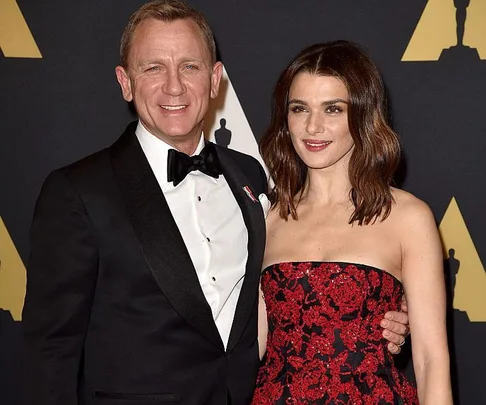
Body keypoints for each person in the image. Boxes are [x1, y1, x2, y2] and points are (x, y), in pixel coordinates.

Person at [21, 1, 409, 404]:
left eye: (190, 66)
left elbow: (296, 290)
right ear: (125, 82)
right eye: (153, 67)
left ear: (215, 78)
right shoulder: (78, 191)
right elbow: (51, 351)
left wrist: (384, 310)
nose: (174, 86)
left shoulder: (251, 177)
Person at [252, 41, 453, 404]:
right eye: (300, 109)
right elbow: (250, 348)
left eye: (333, 109)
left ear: (362, 114)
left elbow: (430, 359)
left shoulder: (408, 218)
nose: (313, 126)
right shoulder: (267, 218)